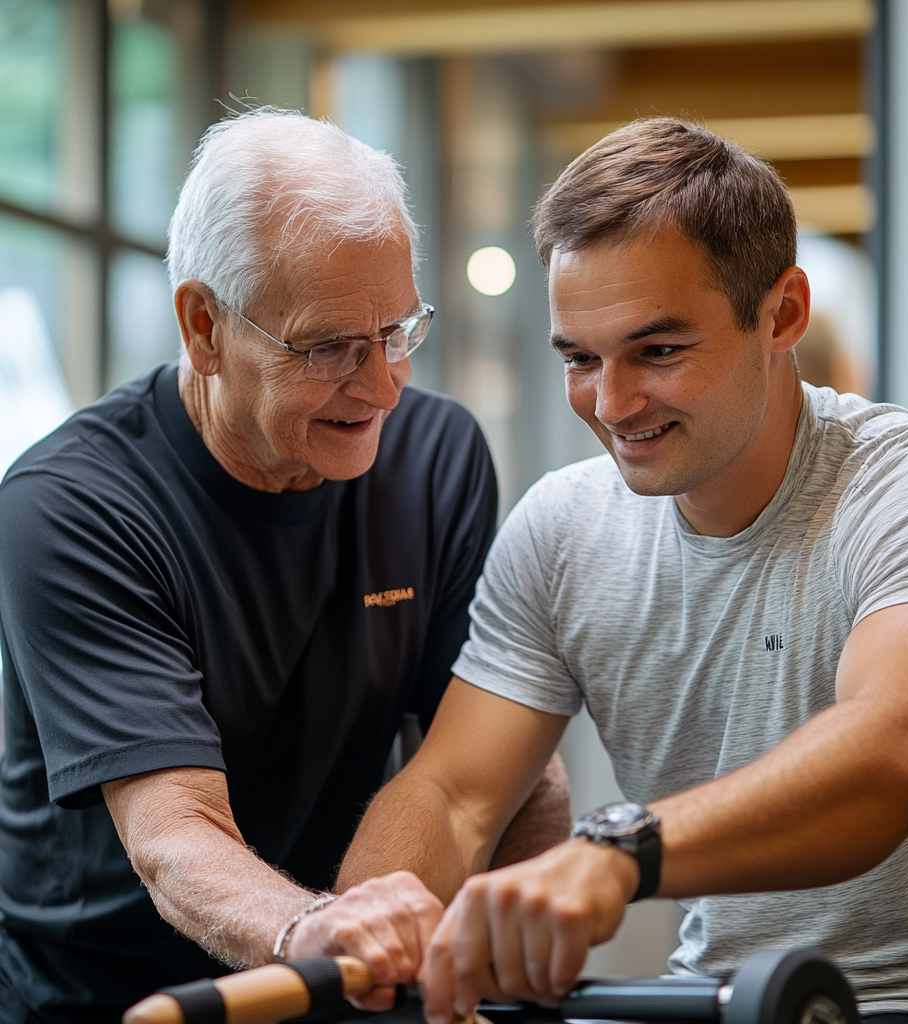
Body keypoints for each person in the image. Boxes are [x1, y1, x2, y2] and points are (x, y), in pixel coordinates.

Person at [338, 119, 908, 1024]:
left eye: (658, 351)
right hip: (712, 997)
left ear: (782, 314)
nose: (612, 405)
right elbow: (455, 791)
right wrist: (362, 922)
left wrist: (618, 851)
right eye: (581, 359)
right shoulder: (565, 526)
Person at [0, 108, 567, 1023]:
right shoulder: (68, 508)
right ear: (203, 329)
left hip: (335, 969)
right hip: (110, 995)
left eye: (397, 332)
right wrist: (318, 932)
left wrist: (532, 976)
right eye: (331, 348)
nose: (383, 385)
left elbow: (498, 760)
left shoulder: (435, 457)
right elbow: (174, 837)